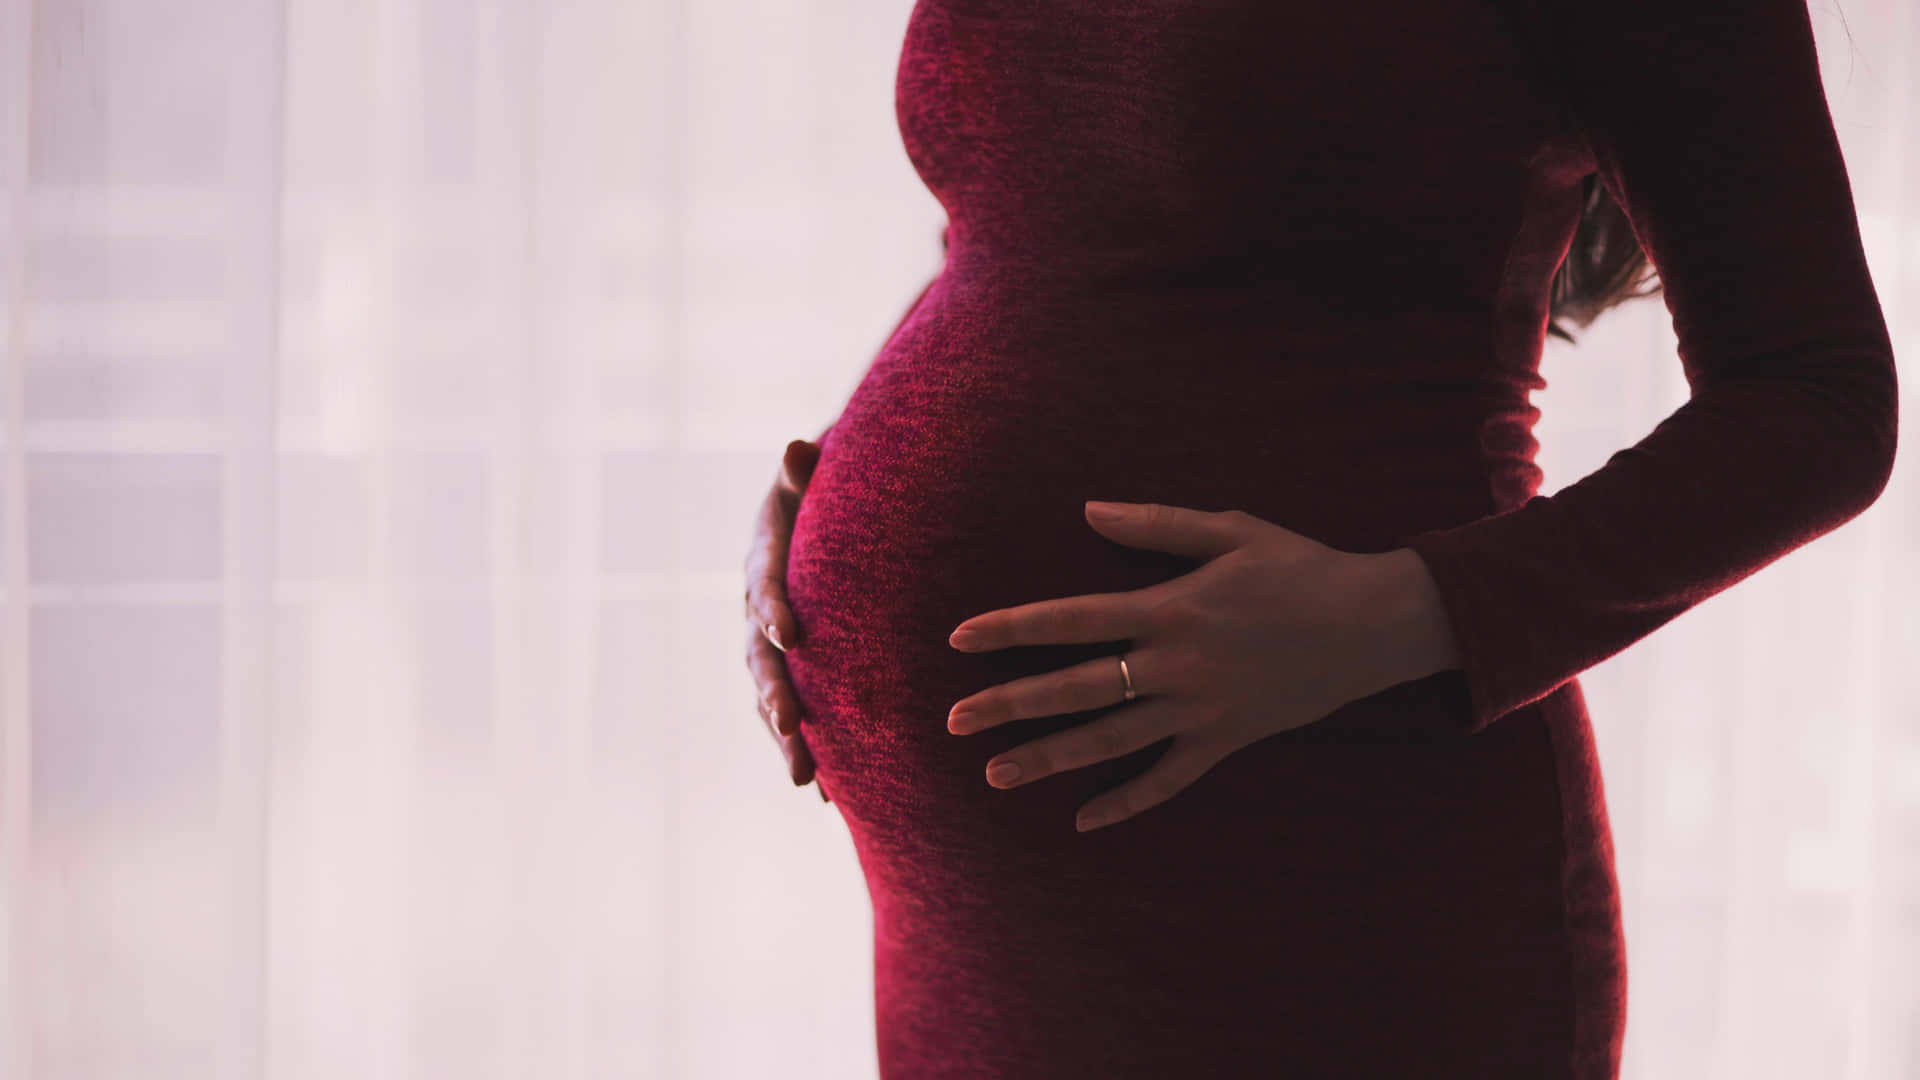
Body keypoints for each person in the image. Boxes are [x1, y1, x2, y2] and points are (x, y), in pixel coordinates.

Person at [741, 0, 1898, 1075]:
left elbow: (1819, 400)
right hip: (966, 945)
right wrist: (834, 482)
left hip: (1326, 877)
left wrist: (1400, 612)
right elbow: (1020, 236)